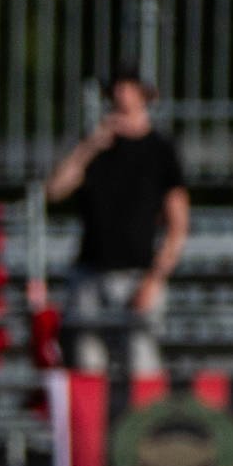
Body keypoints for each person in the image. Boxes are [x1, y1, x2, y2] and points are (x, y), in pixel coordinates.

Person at [44, 65, 189, 375]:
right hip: (91, 272)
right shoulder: (96, 147)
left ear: (143, 95)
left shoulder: (160, 150)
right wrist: (90, 146)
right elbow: (55, 190)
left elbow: (178, 222)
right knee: (87, 367)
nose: (121, 96)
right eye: (117, 89)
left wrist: (155, 279)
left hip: (136, 273)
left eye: (129, 88)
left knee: (140, 365)